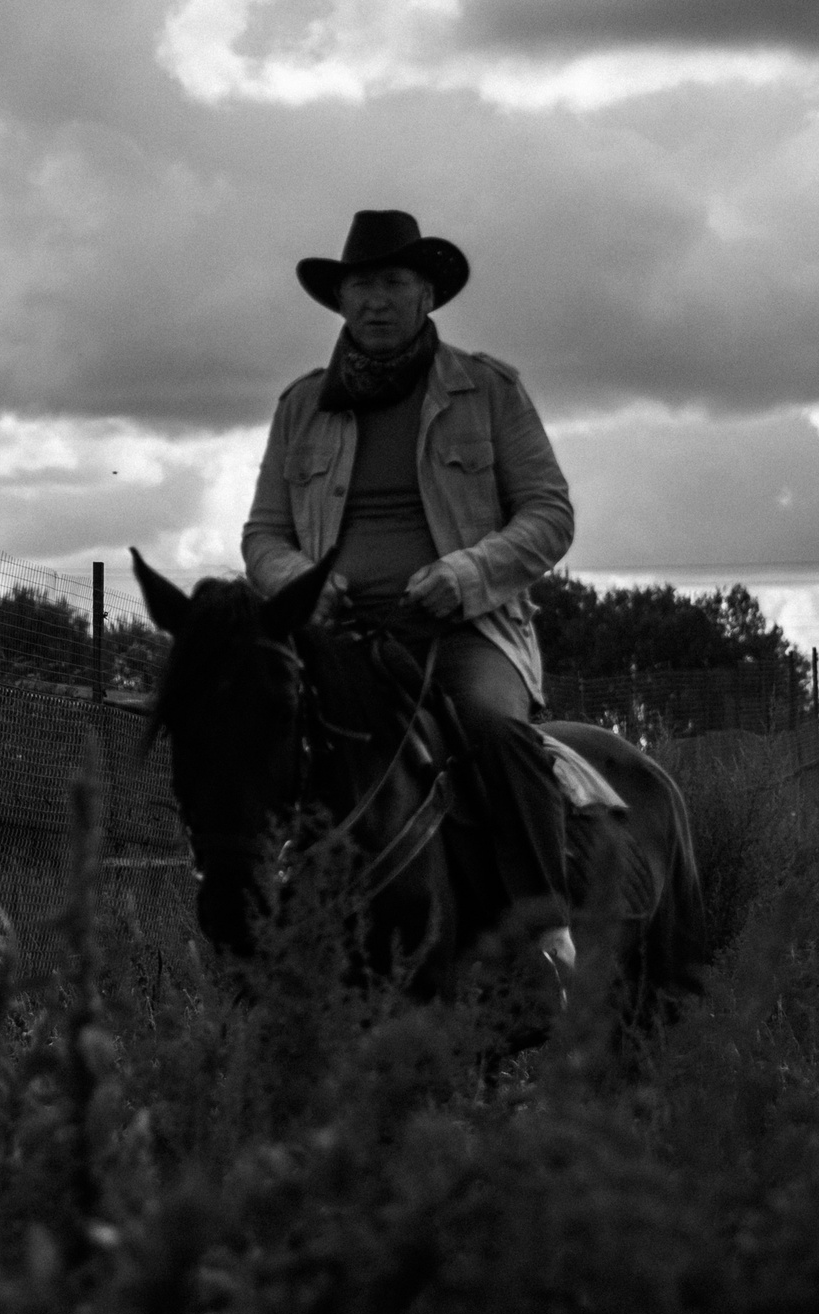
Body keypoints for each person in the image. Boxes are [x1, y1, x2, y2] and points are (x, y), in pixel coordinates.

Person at [243, 209, 579, 980]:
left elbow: (551, 514)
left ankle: (546, 935)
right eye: (361, 284)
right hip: (340, 635)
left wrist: (466, 575)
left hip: (464, 631)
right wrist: (301, 584)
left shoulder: (488, 390)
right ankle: (252, 921)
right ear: (341, 300)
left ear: (426, 294)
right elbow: (262, 534)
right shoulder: (301, 406)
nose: (376, 299)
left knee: (494, 728)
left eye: (394, 282)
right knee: (250, 729)